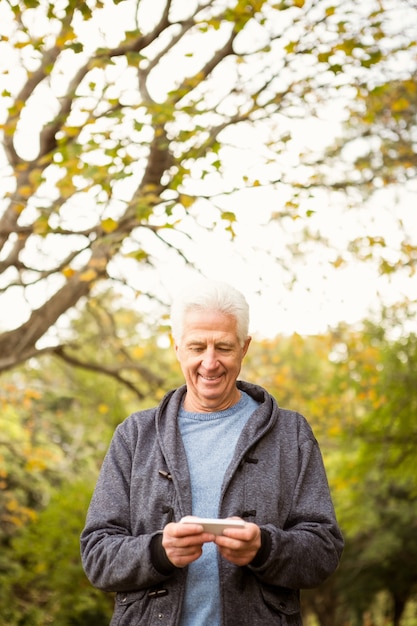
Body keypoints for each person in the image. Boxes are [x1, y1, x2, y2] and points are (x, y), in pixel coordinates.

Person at [80, 279, 344, 626]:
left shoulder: (290, 434)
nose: (210, 362)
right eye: (196, 347)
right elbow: (97, 554)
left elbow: (323, 551)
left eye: (223, 347)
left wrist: (263, 548)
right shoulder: (134, 436)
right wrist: (159, 552)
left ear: (244, 347)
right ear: (177, 348)